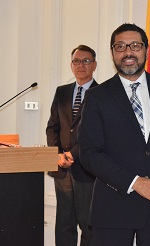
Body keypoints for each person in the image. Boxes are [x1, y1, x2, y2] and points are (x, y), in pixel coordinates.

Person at [78, 23, 150, 246]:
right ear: (112, 53)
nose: (128, 52)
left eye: (135, 46)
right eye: (120, 46)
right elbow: (89, 153)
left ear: (146, 50)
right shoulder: (96, 97)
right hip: (113, 208)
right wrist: (134, 182)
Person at [46, 44, 98, 246]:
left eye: (86, 61)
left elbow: (95, 133)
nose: (81, 65)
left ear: (94, 65)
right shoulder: (62, 92)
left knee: (87, 225)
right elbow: (52, 127)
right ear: (71, 65)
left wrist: (72, 155)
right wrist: (57, 155)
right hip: (62, 169)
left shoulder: (101, 93)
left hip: (86, 169)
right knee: (64, 224)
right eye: (76, 61)